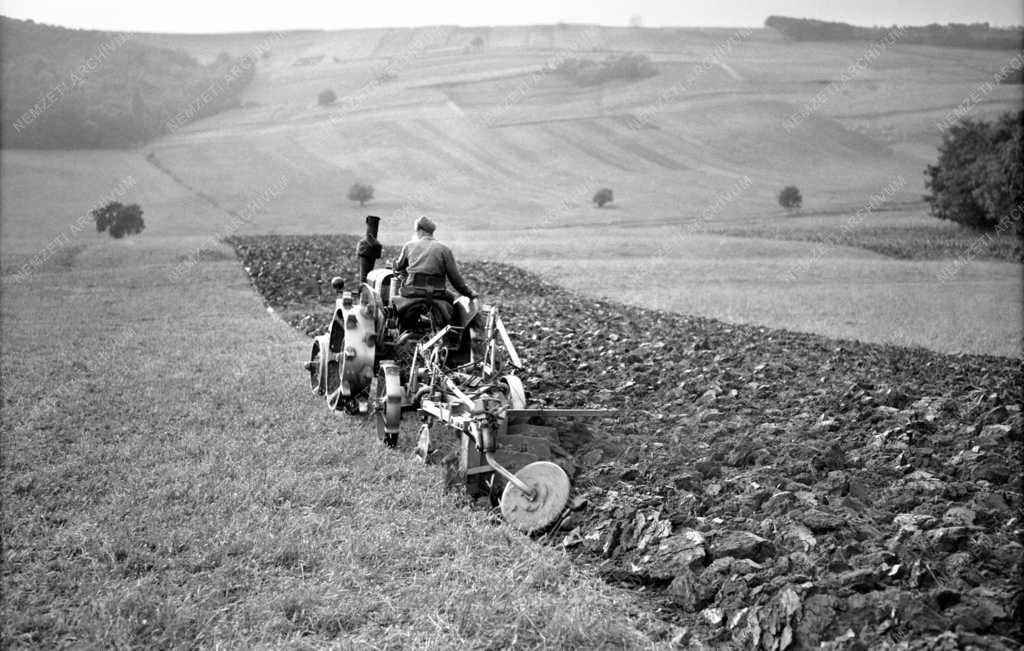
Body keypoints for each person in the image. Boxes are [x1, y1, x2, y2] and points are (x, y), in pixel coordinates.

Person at [393, 216, 477, 301]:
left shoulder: (409, 246)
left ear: (421, 231)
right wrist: (469, 293)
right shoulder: (445, 249)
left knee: (394, 308)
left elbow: (399, 267)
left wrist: (396, 265)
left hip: (412, 291)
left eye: (416, 231)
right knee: (452, 300)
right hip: (437, 292)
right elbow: (455, 279)